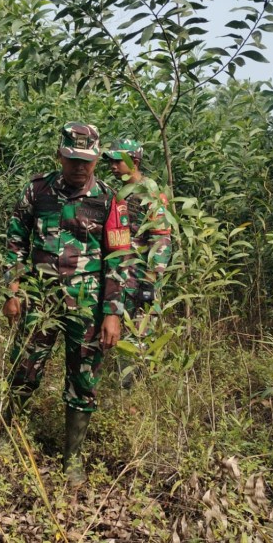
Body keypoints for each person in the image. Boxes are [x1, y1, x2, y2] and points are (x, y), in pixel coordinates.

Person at [1, 122, 131, 486]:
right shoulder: (37, 190)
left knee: (83, 381)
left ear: (96, 160)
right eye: (72, 158)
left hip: (86, 307)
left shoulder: (109, 200)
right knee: (23, 369)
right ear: (59, 154)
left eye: (86, 161)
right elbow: (15, 240)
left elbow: (119, 259)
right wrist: (12, 289)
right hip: (38, 301)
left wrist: (112, 313)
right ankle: (8, 436)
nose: (79, 167)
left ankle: (72, 459)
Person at [102, 139, 173, 389]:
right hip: (118, 278)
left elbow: (161, 240)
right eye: (110, 161)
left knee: (140, 338)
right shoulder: (116, 193)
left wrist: (150, 282)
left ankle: (135, 394)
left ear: (135, 161)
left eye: (118, 160)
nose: (112, 166)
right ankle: (121, 389)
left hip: (140, 279)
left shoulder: (149, 194)